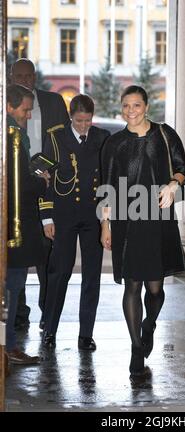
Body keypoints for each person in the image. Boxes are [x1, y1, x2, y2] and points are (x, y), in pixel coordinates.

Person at [100, 85, 185, 377]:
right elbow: (107, 188)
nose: (130, 111)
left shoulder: (165, 134)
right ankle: (136, 349)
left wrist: (174, 185)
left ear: (146, 106)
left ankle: (149, 324)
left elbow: (181, 168)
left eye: (136, 105)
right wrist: (105, 224)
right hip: (127, 221)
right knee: (132, 285)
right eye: (126, 106)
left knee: (155, 288)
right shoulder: (114, 144)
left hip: (158, 219)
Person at [40, 94, 110, 350]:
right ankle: (49, 329)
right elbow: (44, 181)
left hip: (92, 216)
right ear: (71, 117)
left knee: (92, 276)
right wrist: (46, 217)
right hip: (64, 215)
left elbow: (107, 180)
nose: (84, 126)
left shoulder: (102, 138)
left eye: (88, 121)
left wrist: (107, 220)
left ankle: (86, 334)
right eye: (79, 121)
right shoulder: (56, 138)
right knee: (59, 273)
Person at [11, 58, 70, 331]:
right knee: (16, 253)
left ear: (35, 77)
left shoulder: (54, 102)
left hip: (48, 186)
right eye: (18, 75)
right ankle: (17, 316)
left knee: (49, 251)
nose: (24, 79)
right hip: (17, 191)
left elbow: (66, 141)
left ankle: (48, 313)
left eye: (28, 75)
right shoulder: (8, 108)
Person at [6, 84, 50, 364]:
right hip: (15, 226)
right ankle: (8, 347)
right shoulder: (12, 135)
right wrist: (41, 181)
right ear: (9, 107)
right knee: (12, 287)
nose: (29, 116)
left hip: (12, 224)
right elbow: (18, 182)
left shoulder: (12, 132)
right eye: (25, 109)